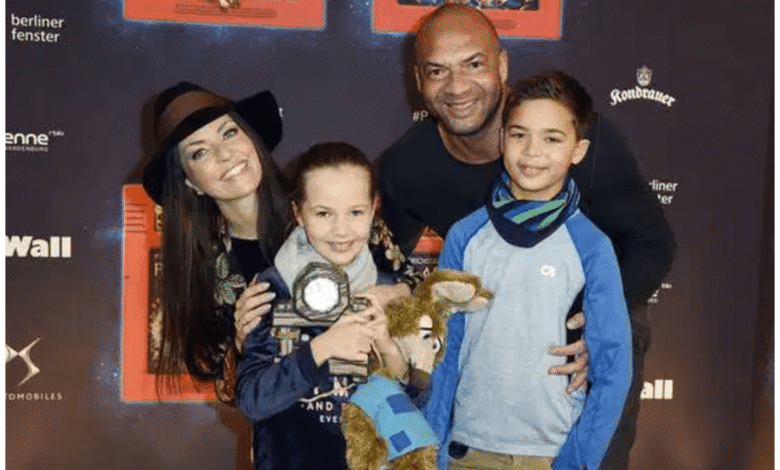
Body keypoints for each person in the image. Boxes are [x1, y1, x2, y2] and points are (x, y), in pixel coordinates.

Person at [377, 4, 675, 468]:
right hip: (491, 339)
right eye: (437, 71)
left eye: (473, 64)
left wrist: (595, 326)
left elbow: (651, 243)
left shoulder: (583, 139)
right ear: (419, 80)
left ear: (502, 65)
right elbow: (381, 261)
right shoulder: (407, 165)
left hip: (585, 333)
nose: (456, 87)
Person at [426, 71, 632, 470]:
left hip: (552, 454)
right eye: (520, 135)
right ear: (502, 138)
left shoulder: (592, 247)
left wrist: (579, 459)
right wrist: (431, 449)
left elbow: (614, 365)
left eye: (552, 139)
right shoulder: (465, 237)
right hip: (468, 450)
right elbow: (442, 352)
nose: (532, 151)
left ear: (578, 150)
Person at [236, 142, 418, 470]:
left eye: (355, 212)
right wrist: (321, 349)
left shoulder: (389, 290)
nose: (341, 230)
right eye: (323, 213)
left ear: (373, 208)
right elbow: (252, 402)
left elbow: (418, 404)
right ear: (298, 213)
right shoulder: (270, 290)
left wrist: (389, 350)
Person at [141, 81, 289, 403]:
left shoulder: (323, 209)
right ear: (190, 182)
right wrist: (243, 343)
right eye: (200, 152)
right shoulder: (204, 268)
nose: (225, 155)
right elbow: (228, 391)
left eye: (229, 133)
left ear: (251, 137)